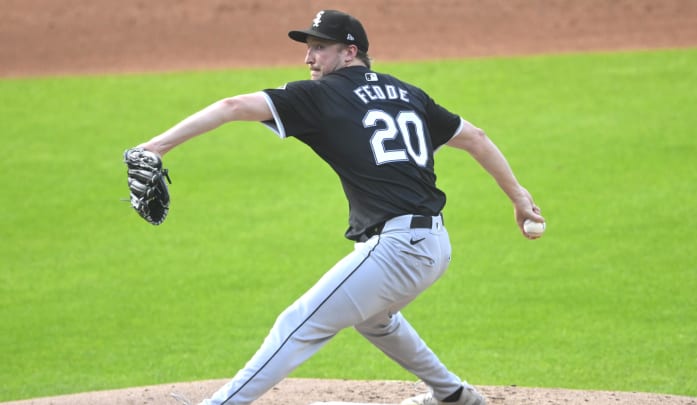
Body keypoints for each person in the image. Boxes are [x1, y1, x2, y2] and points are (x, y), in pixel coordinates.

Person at [134, 9, 544, 405]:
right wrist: (519, 197)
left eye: (320, 47)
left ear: (350, 52)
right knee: (373, 320)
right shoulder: (408, 93)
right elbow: (476, 136)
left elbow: (231, 107)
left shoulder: (321, 95)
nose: (309, 57)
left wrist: (155, 147)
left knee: (298, 323)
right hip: (433, 247)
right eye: (308, 47)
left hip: (398, 249)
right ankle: (452, 393)